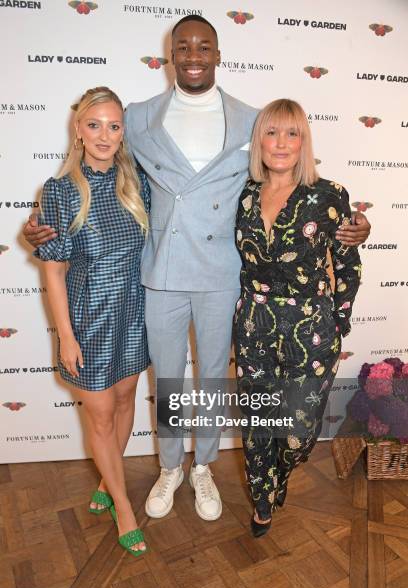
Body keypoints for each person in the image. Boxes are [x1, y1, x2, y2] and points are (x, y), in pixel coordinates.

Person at [24, 16, 371, 523]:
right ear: (169, 55)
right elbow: (100, 171)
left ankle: (203, 466)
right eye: (182, 46)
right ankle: (170, 466)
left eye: (202, 46)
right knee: (169, 378)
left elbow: (289, 175)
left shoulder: (251, 119)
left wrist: (352, 223)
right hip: (161, 272)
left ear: (217, 53)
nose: (192, 55)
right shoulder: (138, 117)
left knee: (210, 377)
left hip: (221, 273)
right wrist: (44, 225)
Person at [234, 99, 362, 537]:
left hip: (311, 329)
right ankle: (262, 500)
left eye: (292, 133)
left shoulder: (329, 196)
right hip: (254, 324)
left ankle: (281, 472)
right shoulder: (245, 194)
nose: (281, 142)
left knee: (298, 431)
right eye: (272, 132)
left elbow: (348, 266)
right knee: (257, 421)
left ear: (304, 141)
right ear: (260, 141)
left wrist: (337, 323)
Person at [33, 87, 149, 556]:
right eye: (95, 125)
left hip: (133, 315)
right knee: (100, 417)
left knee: (124, 402)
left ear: (124, 133)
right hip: (89, 323)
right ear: (78, 130)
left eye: (114, 126)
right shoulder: (60, 191)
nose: (105, 135)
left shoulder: (135, 181)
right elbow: (53, 271)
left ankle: (107, 480)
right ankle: (124, 507)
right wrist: (66, 336)